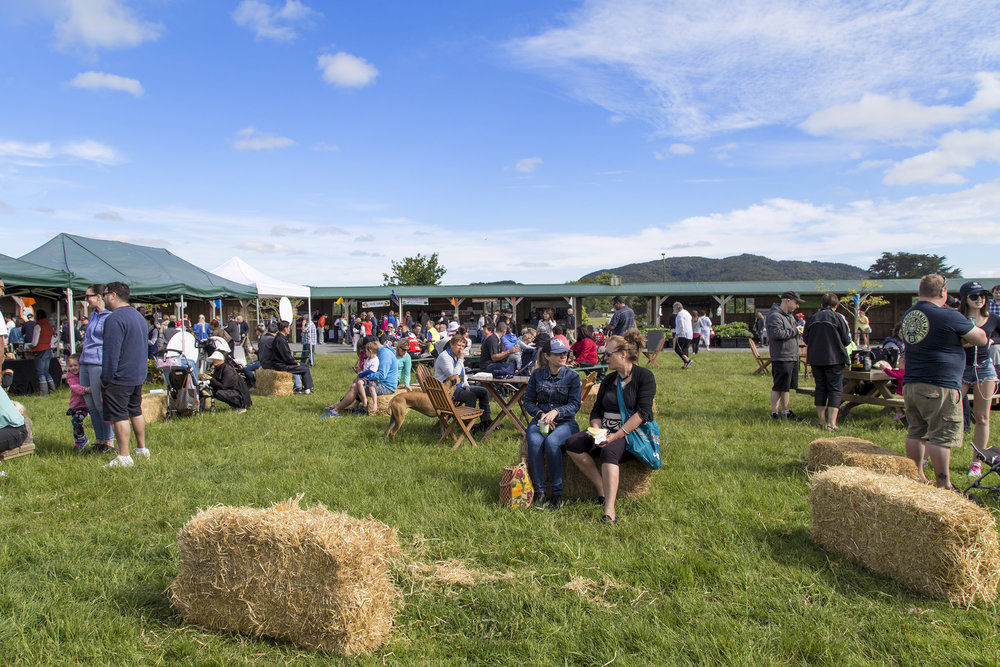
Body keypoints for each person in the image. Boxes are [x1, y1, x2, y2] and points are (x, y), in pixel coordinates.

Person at [902, 274, 987, 489]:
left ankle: (917, 476)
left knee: (916, 431)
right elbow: (981, 338)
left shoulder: (909, 315)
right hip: (939, 384)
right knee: (941, 436)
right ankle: (944, 483)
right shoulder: (948, 315)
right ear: (943, 292)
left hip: (912, 383)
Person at [564, 329, 655, 524]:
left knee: (609, 453)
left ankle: (609, 511)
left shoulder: (644, 377)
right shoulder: (608, 380)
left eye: (608, 354)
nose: (604, 357)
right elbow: (596, 411)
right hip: (605, 430)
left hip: (630, 434)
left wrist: (615, 436)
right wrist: (598, 432)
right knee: (571, 444)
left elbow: (643, 413)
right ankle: (601, 488)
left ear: (623, 355)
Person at [524, 338, 581, 510]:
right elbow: (528, 402)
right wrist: (541, 414)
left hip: (566, 423)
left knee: (552, 442)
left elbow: (575, 405)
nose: (563, 356)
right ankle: (540, 491)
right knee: (534, 442)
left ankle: (557, 494)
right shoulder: (537, 374)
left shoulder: (572, 376)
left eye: (565, 353)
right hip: (541, 420)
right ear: (547, 356)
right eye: (558, 353)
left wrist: (556, 412)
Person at [101, 282, 151, 468]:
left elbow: (111, 352)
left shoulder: (114, 319)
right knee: (135, 410)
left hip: (120, 376)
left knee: (119, 415)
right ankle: (141, 448)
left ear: (112, 295)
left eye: (104, 294)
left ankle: (123, 456)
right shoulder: (138, 316)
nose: (103, 298)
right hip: (137, 374)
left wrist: (106, 378)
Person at [957, 281, 999, 471]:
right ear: (965, 299)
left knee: (982, 417)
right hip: (961, 369)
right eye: (974, 296)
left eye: (983, 295)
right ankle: (931, 454)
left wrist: (992, 340)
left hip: (984, 369)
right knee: (947, 412)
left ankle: (977, 462)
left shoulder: (993, 319)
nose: (980, 299)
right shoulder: (957, 317)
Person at [803, 293, 851, 431]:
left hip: (816, 359)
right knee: (835, 389)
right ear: (835, 306)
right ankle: (832, 423)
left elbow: (805, 338)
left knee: (821, 388)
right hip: (835, 359)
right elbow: (847, 340)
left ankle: (820, 420)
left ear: (822, 304)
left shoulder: (812, 318)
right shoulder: (838, 317)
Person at [78, 285, 115, 453]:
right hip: (85, 361)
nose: (86, 300)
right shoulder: (92, 315)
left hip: (98, 362)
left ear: (99, 296)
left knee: (100, 404)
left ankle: (109, 441)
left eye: (88, 296)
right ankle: (99, 440)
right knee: (91, 405)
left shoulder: (110, 317)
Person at [434, 334, 492, 433]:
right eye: (458, 345)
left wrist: (466, 385)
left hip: (458, 387)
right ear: (451, 344)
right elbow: (453, 376)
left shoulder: (456, 356)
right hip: (446, 390)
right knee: (470, 396)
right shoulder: (445, 356)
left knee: (483, 391)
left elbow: (462, 373)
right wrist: (461, 359)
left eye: (462, 346)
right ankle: (467, 427)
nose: (461, 348)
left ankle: (486, 422)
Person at [323, 340, 398, 417]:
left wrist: (365, 376)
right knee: (357, 382)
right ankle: (362, 407)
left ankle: (335, 411)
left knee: (355, 386)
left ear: (370, 349)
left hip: (386, 386)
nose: (364, 354)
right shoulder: (380, 352)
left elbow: (382, 375)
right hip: (380, 382)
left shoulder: (385, 354)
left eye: (365, 351)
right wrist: (361, 372)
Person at [766, 291, 804, 420]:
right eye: (796, 302)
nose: (797, 306)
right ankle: (775, 413)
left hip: (791, 356)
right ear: (788, 301)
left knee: (786, 387)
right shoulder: (774, 316)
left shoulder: (789, 316)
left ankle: (785, 411)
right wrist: (795, 331)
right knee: (779, 386)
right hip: (782, 356)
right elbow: (776, 334)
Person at [272, 320, 314, 394]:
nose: (289, 329)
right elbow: (286, 356)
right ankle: (307, 389)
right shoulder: (280, 340)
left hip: (280, 363)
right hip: (282, 365)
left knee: (303, 365)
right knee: (304, 368)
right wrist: (294, 363)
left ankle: (304, 387)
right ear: (285, 328)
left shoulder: (279, 338)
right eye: (288, 327)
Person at [27, 308, 56, 396]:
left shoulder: (38, 325)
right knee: (46, 371)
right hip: (48, 350)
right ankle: (52, 390)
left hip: (40, 351)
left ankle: (44, 393)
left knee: (40, 373)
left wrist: (30, 346)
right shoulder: (49, 325)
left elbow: (35, 342)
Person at [65, 354, 90, 452]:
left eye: (75, 365)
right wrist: (85, 390)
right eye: (71, 366)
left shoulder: (84, 374)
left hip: (84, 405)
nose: (73, 368)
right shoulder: (70, 376)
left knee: (76, 420)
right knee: (75, 423)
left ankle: (82, 439)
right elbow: (74, 387)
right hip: (76, 405)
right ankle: (79, 441)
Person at [671, 302, 694, 369]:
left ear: (676, 308)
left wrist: (677, 334)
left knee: (677, 349)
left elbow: (681, 325)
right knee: (685, 349)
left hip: (682, 334)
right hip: (689, 333)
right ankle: (686, 364)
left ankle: (688, 360)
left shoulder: (680, 315)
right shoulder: (687, 313)